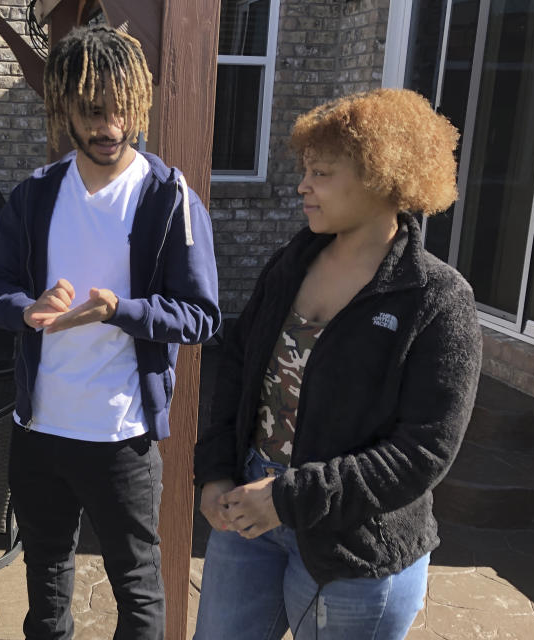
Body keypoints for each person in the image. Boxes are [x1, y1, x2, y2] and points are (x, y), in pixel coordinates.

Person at [193, 88, 482, 640]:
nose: (303, 185)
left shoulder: (436, 299)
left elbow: (423, 451)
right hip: (248, 506)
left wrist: (288, 499)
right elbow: (236, 366)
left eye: (322, 173)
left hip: (354, 546)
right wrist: (215, 472)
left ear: (381, 178)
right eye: (306, 170)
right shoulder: (290, 263)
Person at [0, 25, 221, 640]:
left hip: (121, 435)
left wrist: (122, 311)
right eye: (92, 111)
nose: (108, 126)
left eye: (121, 110)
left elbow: (201, 316)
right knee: (46, 579)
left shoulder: (169, 197)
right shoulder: (35, 195)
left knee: (137, 588)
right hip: (38, 429)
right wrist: (26, 310)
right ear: (66, 109)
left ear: (139, 106)